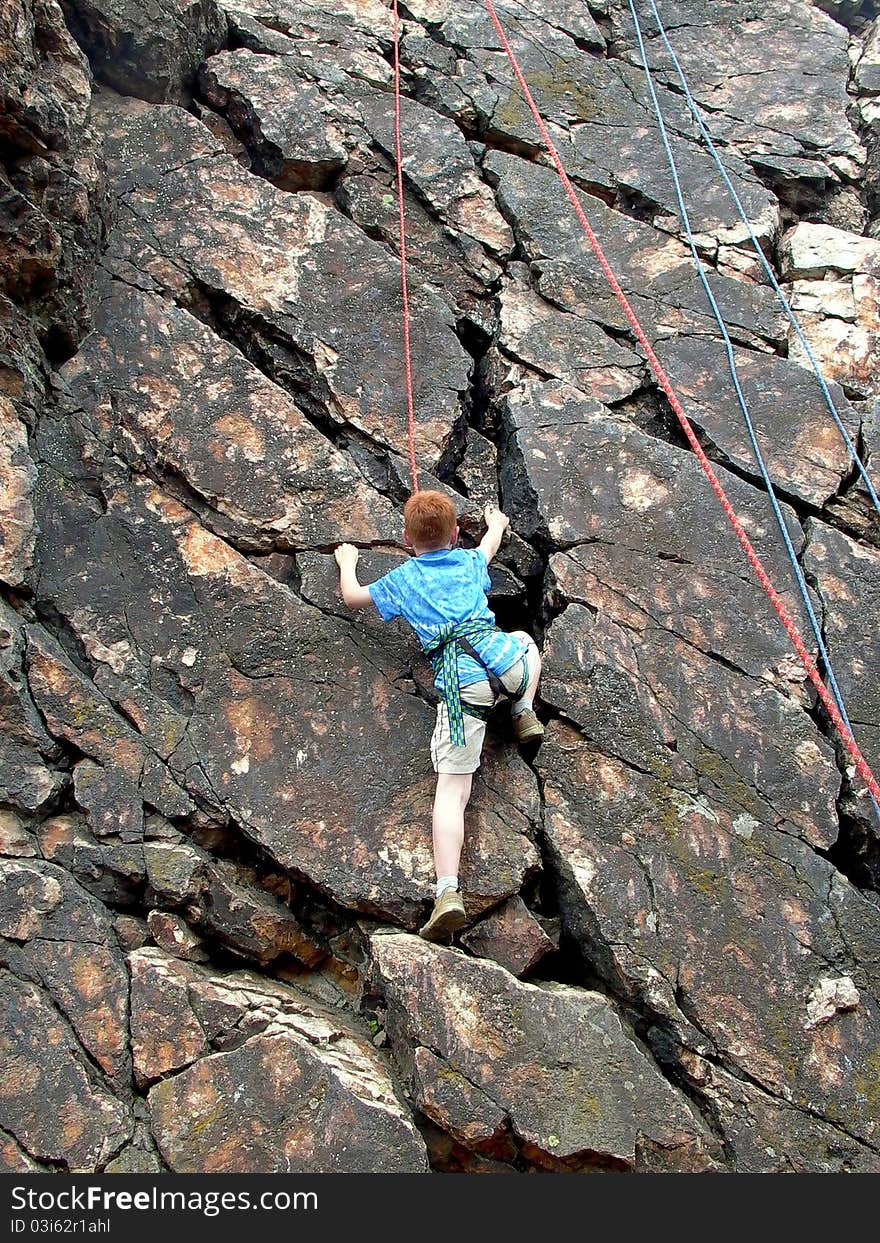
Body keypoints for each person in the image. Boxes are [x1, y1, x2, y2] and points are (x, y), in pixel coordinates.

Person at [334, 490, 543, 942]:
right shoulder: (469, 561)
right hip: (505, 662)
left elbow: (352, 597)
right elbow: (490, 543)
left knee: (452, 791)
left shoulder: (404, 578)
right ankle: (523, 708)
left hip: (462, 684)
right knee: (526, 639)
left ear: (408, 539)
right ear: (454, 533)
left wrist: (347, 561)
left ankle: (448, 890)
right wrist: (495, 521)